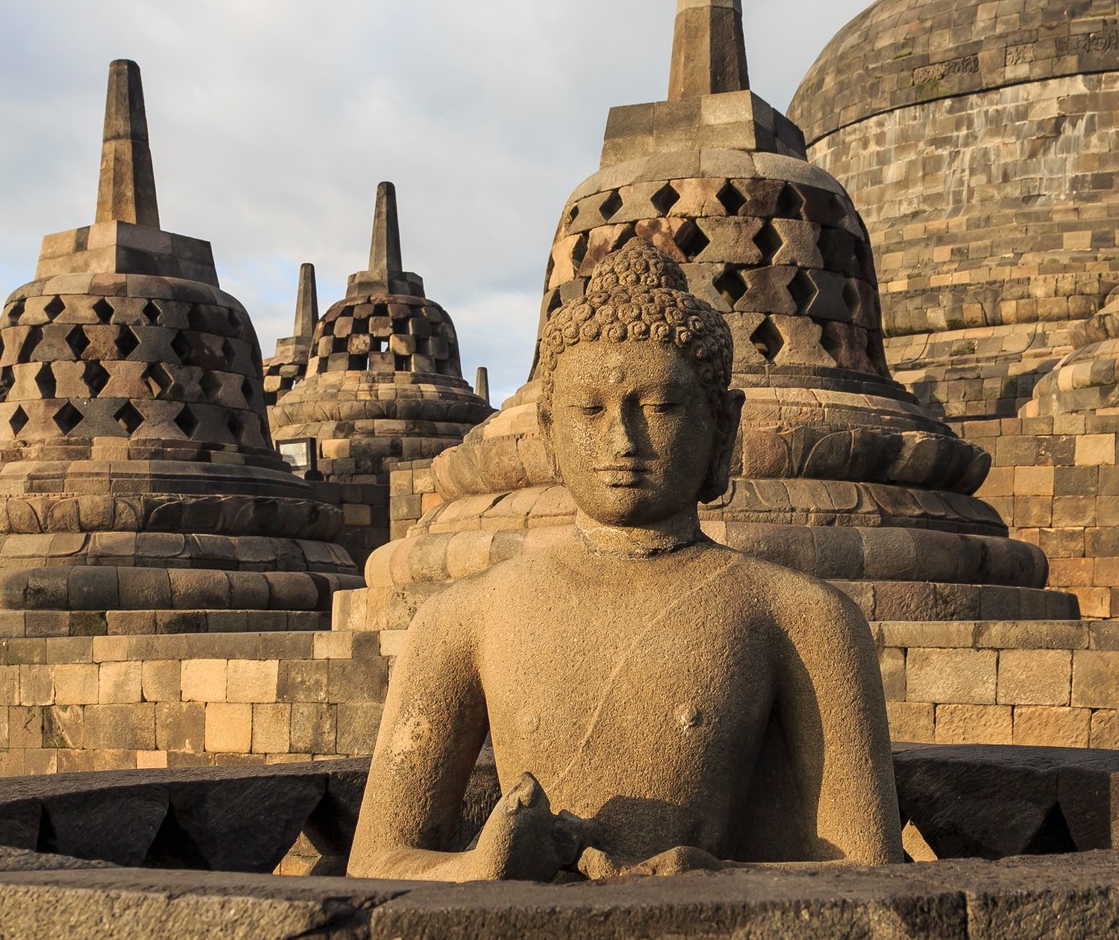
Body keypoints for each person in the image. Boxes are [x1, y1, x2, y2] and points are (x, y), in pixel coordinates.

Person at [347, 240, 906, 881]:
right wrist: (481, 867)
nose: (622, 440)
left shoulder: (802, 618)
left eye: (661, 407)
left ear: (722, 427)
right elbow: (376, 862)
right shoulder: (462, 618)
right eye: (590, 410)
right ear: (549, 430)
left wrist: (712, 876)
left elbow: (870, 872)